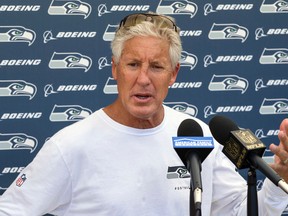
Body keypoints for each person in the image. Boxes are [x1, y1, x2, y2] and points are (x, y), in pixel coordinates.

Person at [0, 12, 287, 216]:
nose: (144, 79)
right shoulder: (71, 145)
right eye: (133, 64)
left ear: (173, 74)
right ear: (115, 69)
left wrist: (280, 180)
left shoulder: (197, 135)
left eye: (157, 67)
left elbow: (243, 211)